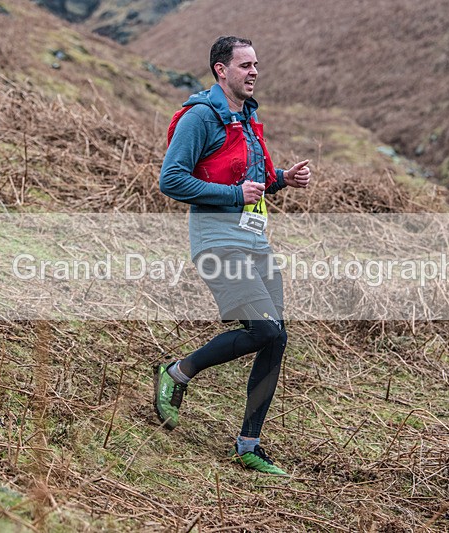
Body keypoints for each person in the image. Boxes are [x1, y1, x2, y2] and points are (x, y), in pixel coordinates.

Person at [154, 36, 311, 476]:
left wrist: (282, 179)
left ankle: (249, 445)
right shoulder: (201, 117)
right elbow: (171, 180)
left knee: (275, 336)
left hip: (256, 243)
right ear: (221, 70)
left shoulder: (247, 116)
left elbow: (252, 181)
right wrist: (232, 194)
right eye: (245, 65)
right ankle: (177, 372)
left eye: (256, 64)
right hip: (219, 242)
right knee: (263, 329)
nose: (254, 71)